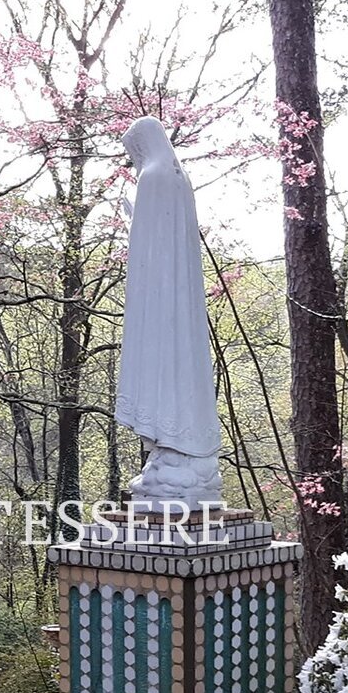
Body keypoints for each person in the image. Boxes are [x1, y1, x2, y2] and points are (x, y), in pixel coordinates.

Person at [113, 115, 224, 511]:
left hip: (158, 300)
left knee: (161, 365)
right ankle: (186, 455)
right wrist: (137, 216)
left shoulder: (154, 175)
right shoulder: (178, 178)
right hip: (178, 299)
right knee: (183, 368)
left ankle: (174, 451)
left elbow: (151, 244)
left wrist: (135, 219)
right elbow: (165, 234)